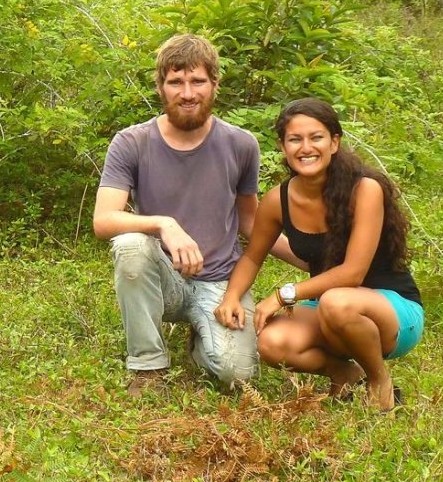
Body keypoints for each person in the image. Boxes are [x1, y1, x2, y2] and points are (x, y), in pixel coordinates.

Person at [92, 34, 301, 395]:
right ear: (161, 88)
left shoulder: (241, 144)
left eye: (198, 81)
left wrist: (314, 260)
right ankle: (147, 366)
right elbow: (103, 220)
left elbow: (250, 221)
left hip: (220, 282)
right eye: (176, 82)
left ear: (215, 85)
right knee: (130, 244)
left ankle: (201, 342)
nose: (187, 93)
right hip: (162, 279)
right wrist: (163, 224)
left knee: (236, 375)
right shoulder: (132, 142)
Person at [214, 97, 424, 411]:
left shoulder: (365, 190)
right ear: (283, 147)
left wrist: (285, 294)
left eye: (316, 137)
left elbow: (352, 273)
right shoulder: (277, 200)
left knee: (337, 301)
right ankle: (344, 373)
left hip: (390, 310)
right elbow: (253, 257)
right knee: (271, 342)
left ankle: (379, 379)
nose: (305, 147)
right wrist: (231, 296)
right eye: (295, 139)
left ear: (334, 142)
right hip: (328, 307)